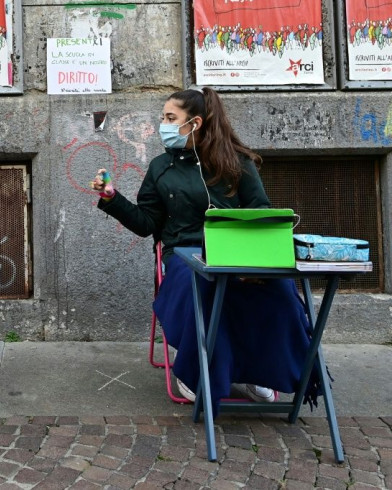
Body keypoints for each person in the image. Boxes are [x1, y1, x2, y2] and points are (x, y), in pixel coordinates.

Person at [91, 87, 319, 412]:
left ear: (195, 123)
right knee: (206, 286)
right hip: (185, 254)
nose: (163, 125)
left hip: (239, 253)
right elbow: (145, 223)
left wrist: (251, 260)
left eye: (171, 118)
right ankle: (193, 370)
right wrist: (112, 197)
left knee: (280, 290)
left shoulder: (236, 163)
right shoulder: (160, 168)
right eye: (163, 118)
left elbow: (260, 212)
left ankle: (261, 371)